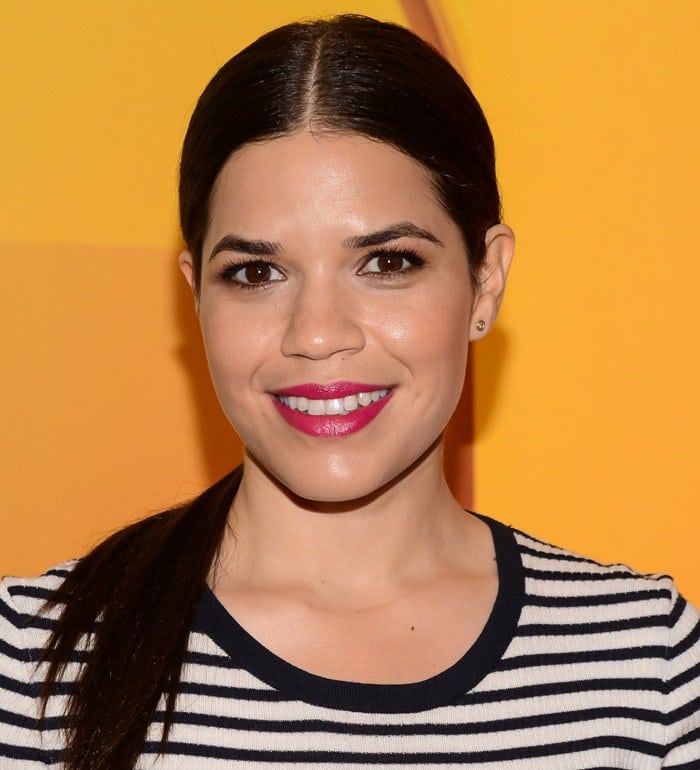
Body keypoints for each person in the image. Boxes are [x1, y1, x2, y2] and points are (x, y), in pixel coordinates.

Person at [1, 14, 698, 770]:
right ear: (195, 295)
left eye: (388, 262)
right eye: (256, 273)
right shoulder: (33, 662)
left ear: (485, 281)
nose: (318, 333)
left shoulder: (641, 666)